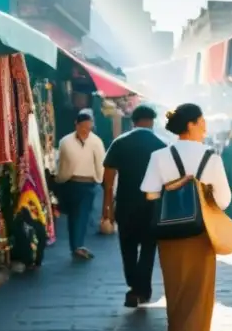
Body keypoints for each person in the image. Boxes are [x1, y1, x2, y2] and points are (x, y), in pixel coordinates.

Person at [141, 103, 232, 331]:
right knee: (198, 286)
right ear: (191, 124)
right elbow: (224, 200)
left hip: (168, 230)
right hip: (201, 230)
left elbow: (150, 193)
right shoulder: (211, 157)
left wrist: (175, 186)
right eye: (202, 121)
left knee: (175, 284)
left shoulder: (159, 156)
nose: (205, 126)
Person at [103, 105, 166, 308]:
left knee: (128, 248)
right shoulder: (162, 145)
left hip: (126, 205)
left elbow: (108, 181)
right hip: (153, 207)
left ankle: (134, 287)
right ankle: (142, 290)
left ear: (133, 121)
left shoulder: (120, 143)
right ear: (152, 122)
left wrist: (107, 210)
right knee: (148, 250)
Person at [56, 108, 107, 260]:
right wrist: (60, 180)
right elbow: (63, 164)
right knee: (75, 215)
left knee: (82, 214)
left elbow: (100, 164)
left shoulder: (96, 142)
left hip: (89, 184)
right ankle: (76, 245)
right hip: (71, 183)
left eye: (88, 126)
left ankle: (77, 245)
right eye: (83, 126)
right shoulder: (65, 141)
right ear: (76, 125)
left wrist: (99, 180)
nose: (85, 129)